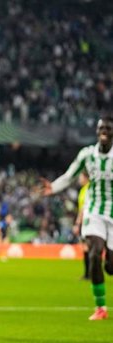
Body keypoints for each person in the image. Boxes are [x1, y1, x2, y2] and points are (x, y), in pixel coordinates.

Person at [41, 116, 113, 321]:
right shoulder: (87, 154)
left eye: (108, 128)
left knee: (111, 267)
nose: (104, 131)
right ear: (97, 131)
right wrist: (53, 187)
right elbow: (70, 175)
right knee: (94, 253)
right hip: (94, 211)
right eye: (101, 128)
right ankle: (101, 308)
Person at [73, 172, 91, 280]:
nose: (79, 179)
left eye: (81, 177)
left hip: (88, 222)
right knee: (87, 247)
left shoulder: (88, 190)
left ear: (86, 178)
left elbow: (83, 208)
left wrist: (77, 223)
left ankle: (88, 274)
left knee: (87, 247)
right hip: (86, 222)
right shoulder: (83, 190)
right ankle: (89, 273)